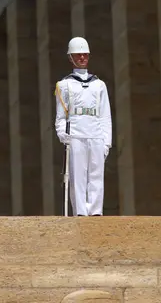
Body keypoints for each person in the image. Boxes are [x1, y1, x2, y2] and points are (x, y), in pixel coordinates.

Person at [54, 36, 112, 216]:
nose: (82, 58)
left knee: (96, 174)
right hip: (76, 134)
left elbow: (105, 115)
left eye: (84, 55)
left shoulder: (99, 85)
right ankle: (80, 211)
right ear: (71, 57)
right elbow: (61, 115)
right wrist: (62, 133)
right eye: (78, 55)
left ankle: (95, 210)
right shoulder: (64, 85)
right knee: (78, 175)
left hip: (95, 132)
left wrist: (106, 141)